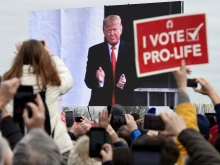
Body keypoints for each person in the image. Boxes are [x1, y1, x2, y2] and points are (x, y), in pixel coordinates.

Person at [2, 40, 73, 158]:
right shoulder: (51, 81)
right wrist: (50, 55)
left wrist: (23, 55)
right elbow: (68, 79)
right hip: (53, 147)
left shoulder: (8, 81)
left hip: (18, 147)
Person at [85, 15, 140, 106]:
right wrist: (99, 80)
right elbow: (88, 81)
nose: (112, 33)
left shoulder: (132, 49)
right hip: (100, 105)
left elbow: (139, 79)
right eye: (108, 30)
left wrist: (125, 82)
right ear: (104, 32)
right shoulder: (94, 51)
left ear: (121, 30)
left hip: (126, 105)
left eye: (115, 29)